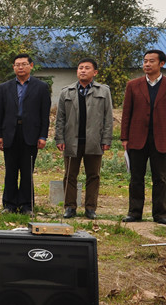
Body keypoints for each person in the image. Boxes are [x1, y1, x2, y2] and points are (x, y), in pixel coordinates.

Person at [54, 58, 113, 220]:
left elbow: (108, 118)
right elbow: (60, 118)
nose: (83, 71)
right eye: (80, 68)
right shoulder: (67, 92)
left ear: (95, 72)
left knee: (93, 175)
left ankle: (90, 208)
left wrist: (106, 139)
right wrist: (59, 138)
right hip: (71, 141)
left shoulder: (103, 91)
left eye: (87, 68)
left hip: (94, 140)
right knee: (69, 175)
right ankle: (70, 207)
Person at [0, 54, 51, 215]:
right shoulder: (4, 87)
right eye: (17, 64)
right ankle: (9, 204)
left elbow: (44, 114)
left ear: (31, 66)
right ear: (13, 67)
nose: (20, 67)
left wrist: (43, 136)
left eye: (24, 64)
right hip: (10, 133)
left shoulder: (41, 87)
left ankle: (26, 205)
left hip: (31, 134)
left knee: (27, 171)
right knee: (10, 171)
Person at [120, 49, 166, 224]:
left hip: (162, 139)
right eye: (145, 61)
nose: (147, 64)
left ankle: (160, 213)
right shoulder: (133, 85)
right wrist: (125, 138)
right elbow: (126, 113)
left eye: (151, 61)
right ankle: (134, 212)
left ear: (161, 63)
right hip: (137, 138)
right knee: (136, 178)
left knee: (160, 178)